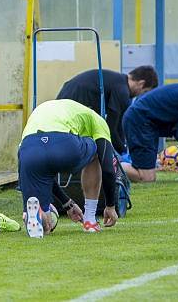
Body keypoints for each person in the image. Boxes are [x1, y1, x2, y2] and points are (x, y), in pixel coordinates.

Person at [18, 99, 120, 238]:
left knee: (43, 214)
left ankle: (39, 216)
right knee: (96, 152)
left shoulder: (46, 110)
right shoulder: (98, 120)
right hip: (63, 144)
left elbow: (40, 172)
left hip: (29, 149)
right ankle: (90, 220)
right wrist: (110, 206)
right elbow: (108, 168)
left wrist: (67, 203)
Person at [57, 66, 158, 153]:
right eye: (144, 91)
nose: (140, 95)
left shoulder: (117, 81)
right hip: (71, 106)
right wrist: (122, 151)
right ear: (141, 83)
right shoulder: (122, 91)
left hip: (64, 101)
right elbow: (111, 128)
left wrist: (121, 146)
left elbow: (117, 126)